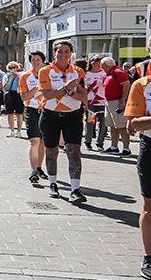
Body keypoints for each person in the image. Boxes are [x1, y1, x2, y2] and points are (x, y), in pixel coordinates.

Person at [38, 40, 88, 203]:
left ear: (71, 54)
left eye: (67, 51)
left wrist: (73, 94)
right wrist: (66, 89)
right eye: (60, 51)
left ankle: (75, 189)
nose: (63, 54)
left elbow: (84, 95)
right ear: (54, 53)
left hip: (73, 116)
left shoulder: (78, 71)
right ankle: (53, 184)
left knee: (73, 151)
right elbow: (47, 95)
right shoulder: (45, 71)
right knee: (52, 151)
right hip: (51, 115)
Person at [122, 68, 151, 280]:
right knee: (149, 207)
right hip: (150, 147)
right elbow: (134, 124)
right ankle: (149, 257)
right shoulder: (141, 85)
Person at [19, 51, 49, 185]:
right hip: (31, 110)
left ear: (42, 61)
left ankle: (39, 167)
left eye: (38, 60)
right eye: (33, 60)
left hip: (47, 110)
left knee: (42, 142)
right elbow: (24, 97)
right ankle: (33, 171)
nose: (35, 62)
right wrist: (37, 88)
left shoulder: (49, 74)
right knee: (34, 141)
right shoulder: (25, 76)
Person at [102, 56, 132, 157]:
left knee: (121, 125)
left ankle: (126, 149)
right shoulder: (110, 73)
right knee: (112, 125)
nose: (102, 68)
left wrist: (123, 99)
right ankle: (114, 147)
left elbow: (126, 84)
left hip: (117, 102)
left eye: (103, 66)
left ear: (107, 65)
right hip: (110, 102)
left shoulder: (118, 72)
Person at [84, 55, 108, 151]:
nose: (97, 62)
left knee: (103, 123)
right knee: (90, 122)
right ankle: (88, 142)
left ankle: (100, 143)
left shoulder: (105, 74)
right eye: (94, 60)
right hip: (91, 102)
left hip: (103, 102)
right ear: (91, 62)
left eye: (99, 61)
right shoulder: (86, 74)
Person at [3, 62, 25, 138]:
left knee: (19, 113)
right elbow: (4, 87)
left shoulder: (21, 76)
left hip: (18, 94)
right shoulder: (6, 76)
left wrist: (18, 79)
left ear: (17, 68)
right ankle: (11, 130)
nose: (12, 69)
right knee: (10, 113)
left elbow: (21, 87)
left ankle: (18, 131)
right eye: (10, 68)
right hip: (9, 94)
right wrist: (9, 79)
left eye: (14, 67)